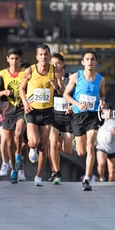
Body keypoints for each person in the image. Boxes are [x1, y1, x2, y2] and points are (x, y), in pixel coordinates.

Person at [19, 43, 64, 186]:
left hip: (47, 111)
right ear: (37, 57)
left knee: (44, 146)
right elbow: (21, 88)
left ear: (49, 56)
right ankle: (31, 148)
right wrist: (25, 103)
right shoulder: (30, 70)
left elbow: (62, 92)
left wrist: (55, 85)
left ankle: (38, 176)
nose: (44, 57)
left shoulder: (55, 70)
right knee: (34, 142)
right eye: (41, 54)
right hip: (32, 111)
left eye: (46, 54)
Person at [63, 50, 106, 191]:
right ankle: (77, 141)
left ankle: (87, 178)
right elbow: (66, 95)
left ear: (96, 62)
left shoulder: (101, 79)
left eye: (92, 59)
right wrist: (76, 104)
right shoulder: (76, 76)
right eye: (87, 59)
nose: (90, 62)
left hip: (92, 115)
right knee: (81, 152)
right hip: (78, 116)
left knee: (90, 146)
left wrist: (102, 103)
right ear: (82, 62)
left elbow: (102, 96)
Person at [0, 48, 26, 184]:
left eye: (17, 58)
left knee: (18, 134)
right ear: (7, 59)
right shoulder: (1, 74)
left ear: (20, 60)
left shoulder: (25, 74)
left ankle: (18, 156)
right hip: (7, 110)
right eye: (12, 58)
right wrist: (3, 93)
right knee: (9, 142)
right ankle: (13, 168)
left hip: (21, 109)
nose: (14, 61)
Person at [48, 53, 73, 185]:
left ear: (63, 64)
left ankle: (68, 142)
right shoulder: (48, 79)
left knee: (67, 150)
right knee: (53, 143)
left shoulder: (71, 79)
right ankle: (55, 172)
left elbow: (66, 94)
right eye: (52, 63)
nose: (55, 66)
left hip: (68, 117)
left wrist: (72, 106)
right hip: (54, 117)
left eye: (57, 63)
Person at [96, 103, 115, 182]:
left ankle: (111, 185)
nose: (108, 113)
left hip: (113, 148)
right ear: (103, 111)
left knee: (112, 170)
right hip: (101, 147)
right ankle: (102, 178)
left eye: (110, 111)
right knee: (101, 164)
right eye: (106, 111)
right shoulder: (98, 119)